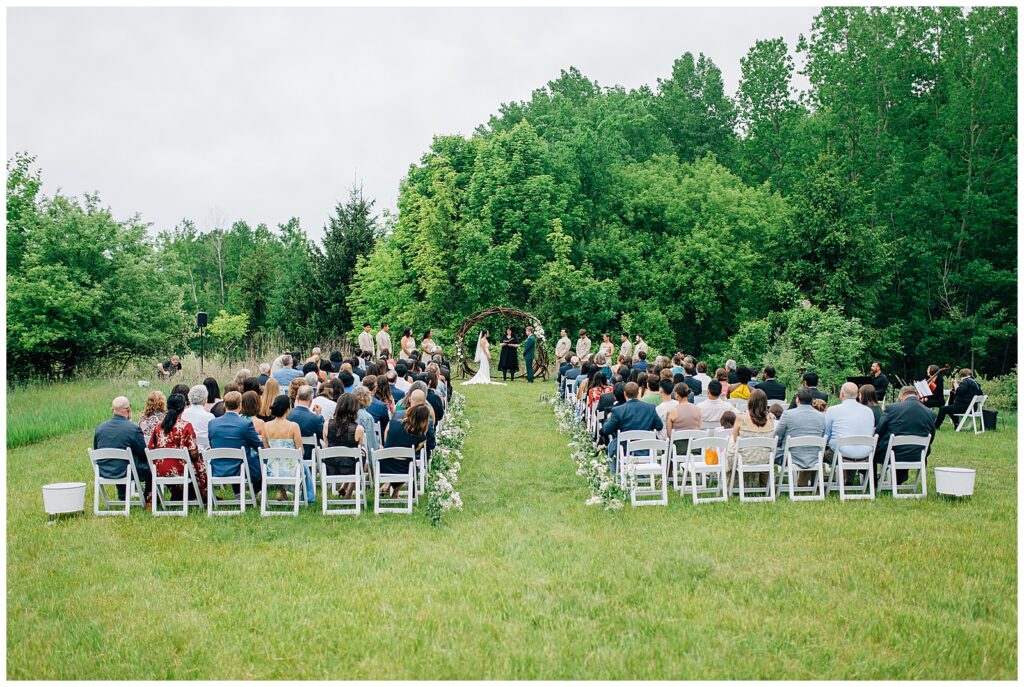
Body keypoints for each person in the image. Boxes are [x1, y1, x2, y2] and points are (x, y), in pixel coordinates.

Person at [148, 392, 208, 503]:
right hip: (181, 470)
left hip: (160, 470)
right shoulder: (185, 426)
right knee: (200, 463)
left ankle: (178, 494)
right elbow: (193, 452)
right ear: (183, 408)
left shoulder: (158, 427)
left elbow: (151, 448)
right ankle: (204, 495)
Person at [94, 396, 153, 506]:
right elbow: (144, 453)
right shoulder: (132, 429)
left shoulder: (100, 428)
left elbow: (97, 449)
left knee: (121, 461)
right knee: (151, 467)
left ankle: (123, 496)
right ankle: (149, 498)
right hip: (126, 470)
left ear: (113, 410)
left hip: (104, 470)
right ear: (128, 409)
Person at [876, 386, 936, 484]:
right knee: (905, 448)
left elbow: (879, 430)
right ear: (917, 396)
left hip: (892, 453)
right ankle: (898, 479)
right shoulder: (930, 413)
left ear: (900, 396)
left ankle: (873, 480)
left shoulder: (892, 408)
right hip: (918, 455)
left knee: (876, 447)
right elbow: (931, 437)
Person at [207, 390, 265, 493]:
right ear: (240, 405)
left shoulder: (212, 423)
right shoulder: (245, 424)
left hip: (217, 466)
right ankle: (256, 491)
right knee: (258, 458)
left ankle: (239, 493)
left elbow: (212, 444)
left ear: (224, 405)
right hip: (239, 468)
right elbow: (258, 446)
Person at [601, 382, 663, 467]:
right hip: (644, 447)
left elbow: (606, 429)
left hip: (624, 450)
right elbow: (659, 426)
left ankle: (614, 474)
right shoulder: (650, 408)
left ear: (625, 394)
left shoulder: (618, 410)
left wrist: (608, 419)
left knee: (613, 445)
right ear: (638, 393)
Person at [774, 387, 827, 486]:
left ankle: (767, 485)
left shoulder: (787, 414)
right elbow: (824, 436)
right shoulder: (822, 416)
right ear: (812, 401)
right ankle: (805, 483)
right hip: (815, 457)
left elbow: (777, 436)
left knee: (769, 453)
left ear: (797, 399)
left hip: (790, 457)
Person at [259, 395, 307, 502]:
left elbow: (267, 449)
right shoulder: (293, 426)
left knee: (278, 462)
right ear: (288, 410)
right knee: (300, 466)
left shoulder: (265, 426)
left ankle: (281, 491)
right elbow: (301, 451)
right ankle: (295, 494)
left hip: (272, 471)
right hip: (291, 471)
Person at [381, 404, 434, 497]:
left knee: (400, 460)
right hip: (403, 469)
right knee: (409, 463)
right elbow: (412, 453)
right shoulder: (421, 437)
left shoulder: (392, 423)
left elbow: (386, 440)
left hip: (384, 465)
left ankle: (391, 487)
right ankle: (394, 492)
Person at [823, 382, 877, 473]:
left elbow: (826, 435)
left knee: (818, 455)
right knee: (848, 446)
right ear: (857, 395)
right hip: (865, 455)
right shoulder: (868, 411)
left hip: (839, 455)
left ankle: (814, 483)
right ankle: (848, 481)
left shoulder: (832, 410)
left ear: (842, 394)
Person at [726, 389, 775, 487]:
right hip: (765, 459)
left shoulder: (741, 418)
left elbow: (735, 439)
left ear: (750, 402)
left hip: (744, 458)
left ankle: (730, 484)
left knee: (731, 442)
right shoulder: (771, 418)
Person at [324, 393, 366, 499]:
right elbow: (358, 450)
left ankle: (345, 487)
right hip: (350, 468)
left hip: (331, 467)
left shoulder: (326, 425)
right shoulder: (358, 429)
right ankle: (349, 493)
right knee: (362, 455)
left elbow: (327, 444)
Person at [239, 390, 268, 492]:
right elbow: (263, 444)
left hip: (240, 457)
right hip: (254, 460)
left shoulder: (238, 419)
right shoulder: (260, 423)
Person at [288, 385, 325, 462]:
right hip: (310, 455)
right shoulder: (316, 419)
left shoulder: (288, 415)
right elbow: (324, 435)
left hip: (292, 454)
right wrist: (319, 415)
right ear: (311, 400)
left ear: (297, 398)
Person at [182, 385, 214, 449]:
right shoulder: (209, 416)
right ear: (205, 399)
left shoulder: (183, 413)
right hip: (204, 453)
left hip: (187, 451)